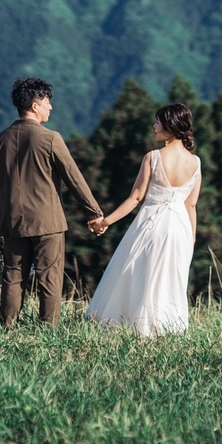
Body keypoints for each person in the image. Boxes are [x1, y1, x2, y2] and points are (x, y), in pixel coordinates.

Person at [0, 76, 104, 326]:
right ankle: (48, 330)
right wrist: (94, 212)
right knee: (49, 278)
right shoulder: (50, 139)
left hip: (12, 221)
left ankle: (7, 328)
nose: (50, 107)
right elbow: (74, 178)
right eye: (47, 101)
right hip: (47, 222)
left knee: (13, 276)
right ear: (34, 105)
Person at [85, 102, 201, 336]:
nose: (154, 126)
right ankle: (168, 327)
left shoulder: (154, 157)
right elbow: (191, 205)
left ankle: (137, 325)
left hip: (152, 224)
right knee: (169, 278)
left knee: (140, 273)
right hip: (180, 228)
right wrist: (191, 240)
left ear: (170, 126)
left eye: (158, 122)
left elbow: (136, 197)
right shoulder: (196, 162)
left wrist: (105, 221)